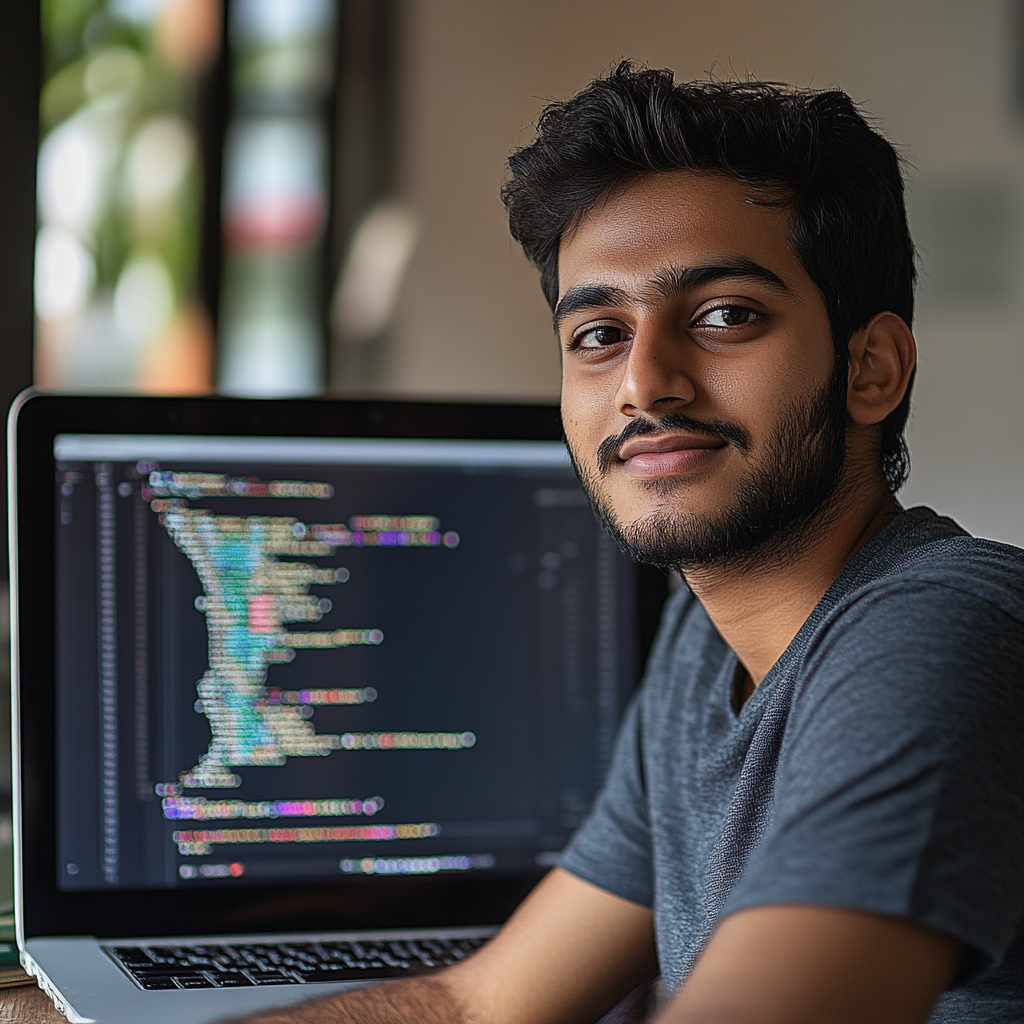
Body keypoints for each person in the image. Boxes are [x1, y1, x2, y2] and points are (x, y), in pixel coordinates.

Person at [233, 62, 1024, 1024]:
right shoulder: (705, 647)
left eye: (725, 315)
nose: (645, 383)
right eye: (599, 333)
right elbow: (477, 1005)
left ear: (872, 368)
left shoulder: (943, 628)